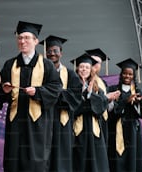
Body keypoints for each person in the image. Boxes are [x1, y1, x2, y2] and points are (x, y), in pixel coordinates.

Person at [0, 21, 62, 172]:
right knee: (13, 161)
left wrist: (38, 92)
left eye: (26, 38)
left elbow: (56, 88)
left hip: (38, 124)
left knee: (35, 163)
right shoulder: (10, 64)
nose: (22, 41)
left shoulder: (46, 65)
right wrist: (4, 90)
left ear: (36, 41)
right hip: (15, 122)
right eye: (19, 38)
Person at [40, 35, 82, 172]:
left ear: (61, 53)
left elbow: (76, 97)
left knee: (61, 159)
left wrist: (54, 93)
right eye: (49, 51)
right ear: (45, 53)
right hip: (43, 119)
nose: (52, 54)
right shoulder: (39, 73)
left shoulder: (70, 75)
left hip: (62, 121)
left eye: (55, 51)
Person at [107, 58, 142, 172]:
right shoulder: (113, 90)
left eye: (130, 74)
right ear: (121, 74)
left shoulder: (138, 91)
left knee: (132, 160)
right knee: (116, 160)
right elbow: (110, 111)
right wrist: (125, 101)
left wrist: (137, 104)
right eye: (125, 73)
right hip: (115, 130)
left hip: (132, 131)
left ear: (133, 76)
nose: (127, 76)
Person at [71, 53, 110, 172]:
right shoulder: (72, 85)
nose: (84, 69)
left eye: (87, 67)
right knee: (80, 162)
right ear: (77, 68)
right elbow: (73, 108)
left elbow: (101, 107)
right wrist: (88, 99)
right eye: (82, 67)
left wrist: (89, 95)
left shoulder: (96, 86)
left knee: (96, 163)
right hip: (78, 131)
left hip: (94, 131)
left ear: (91, 70)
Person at [85, 48, 121, 145]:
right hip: (88, 121)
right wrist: (105, 98)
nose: (95, 64)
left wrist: (111, 100)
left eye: (98, 62)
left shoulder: (102, 82)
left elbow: (108, 107)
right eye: (93, 61)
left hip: (103, 121)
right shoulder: (84, 80)